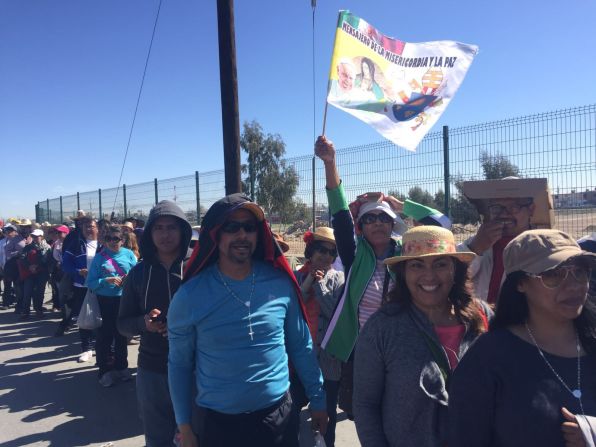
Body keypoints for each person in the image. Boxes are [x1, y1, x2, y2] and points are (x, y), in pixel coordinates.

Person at [168, 193, 327, 447]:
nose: (242, 235)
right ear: (216, 234)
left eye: (249, 227)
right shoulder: (190, 296)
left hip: (279, 418)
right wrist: (184, 426)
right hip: (219, 426)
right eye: (232, 227)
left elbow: (301, 346)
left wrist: (318, 400)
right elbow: (179, 364)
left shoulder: (280, 284)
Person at [449, 229, 596, 447]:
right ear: (520, 283)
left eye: (579, 271)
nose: (573, 285)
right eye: (553, 275)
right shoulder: (488, 359)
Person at [353, 226, 490, 446]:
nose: (429, 275)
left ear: (455, 269)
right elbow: (365, 405)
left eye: (441, 264)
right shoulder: (382, 328)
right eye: (417, 265)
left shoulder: (482, 317)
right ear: (404, 272)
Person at [315, 135, 407, 417]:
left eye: (384, 218)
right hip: (359, 351)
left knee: (399, 413)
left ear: (393, 224)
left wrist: (406, 207)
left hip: (399, 350)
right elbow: (340, 212)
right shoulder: (355, 255)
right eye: (369, 218)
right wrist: (331, 163)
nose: (377, 223)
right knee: (365, 416)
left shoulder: (408, 256)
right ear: (361, 227)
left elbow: (442, 225)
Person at [118, 200, 192, 447]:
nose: (165, 234)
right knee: (158, 438)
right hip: (152, 369)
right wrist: (144, 323)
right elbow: (122, 324)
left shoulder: (198, 268)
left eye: (172, 227)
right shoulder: (137, 274)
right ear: (149, 233)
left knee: (196, 436)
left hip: (197, 368)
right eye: (158, 228)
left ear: (183, 230)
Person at [288, 227, 345, 447]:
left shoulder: (338, 279)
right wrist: (308, 281)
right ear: (310, 251)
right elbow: (292, 306)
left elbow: (334, 312)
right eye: (321, 249)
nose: (326, 255)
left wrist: (320, 284)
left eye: (332, 252)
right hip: (296, 362)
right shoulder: (294, 276)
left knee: (327, 416)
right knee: (290, 411)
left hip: (327, 362)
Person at [458, 178, 537, 303]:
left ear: (531, 209)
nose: (504, 214)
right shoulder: (477, 241)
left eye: (513, 207)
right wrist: (475, 249)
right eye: (497, 208)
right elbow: (452, 278)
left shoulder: (540, 247)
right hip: (480, 318)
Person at [87, 225, 137, 387]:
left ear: (122, 240)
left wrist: (128, 280)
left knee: (122, 336)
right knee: (104, 338)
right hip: (104, 302)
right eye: (109, 239)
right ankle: (105, 371)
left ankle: (122, 367)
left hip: (124, 301)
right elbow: (90, 282)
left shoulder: (129, 255)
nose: (112, 242)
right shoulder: (100, 257)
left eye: (116, 239)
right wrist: (105, 281)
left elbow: (138, 277)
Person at [60, 216, 98, 361]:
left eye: (92, 226)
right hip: (81, 287)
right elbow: (66, 264)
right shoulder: (76, 245)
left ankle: (100, 346)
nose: (89, 229)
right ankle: (86, 349)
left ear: (97, 228)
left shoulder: (103, 244)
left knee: (102, 317)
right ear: (81, 229)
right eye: (86, 227)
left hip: (101, 287)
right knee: (85, 318)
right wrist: (78, 271)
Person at [19, 228, 51, 318]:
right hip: (29, 273)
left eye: (37, 236)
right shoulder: (28, 247)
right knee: (27, 292)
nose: (35, 238)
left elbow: (48, 261)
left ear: (42, 236)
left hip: (42, 273)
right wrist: (29, 266)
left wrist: (37, 267)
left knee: (40, 293)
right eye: (33, 236)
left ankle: (38, 310)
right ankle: (25, 312)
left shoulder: (47, 247)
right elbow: (22, 258)